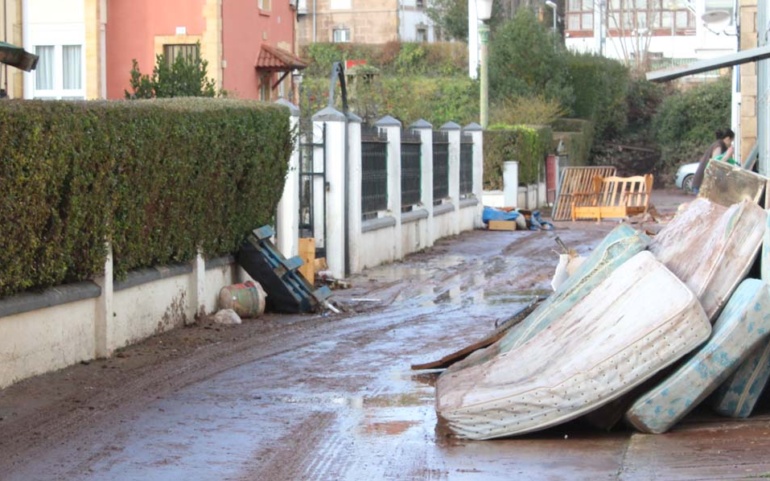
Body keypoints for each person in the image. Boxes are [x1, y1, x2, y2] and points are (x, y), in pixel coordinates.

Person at [691, 128, 735, 195]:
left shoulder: (719, 145)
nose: (731, 144)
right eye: (731, 141)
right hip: (702, 183)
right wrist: (727, 155)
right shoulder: (718, 146)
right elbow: (715, 164)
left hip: (703, 183)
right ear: (728, 139)